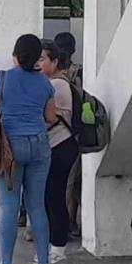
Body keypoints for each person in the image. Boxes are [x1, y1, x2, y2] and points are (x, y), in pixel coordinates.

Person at [0, 34, 57, 264]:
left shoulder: (2, 78)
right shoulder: (46, 83)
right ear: (37, 57)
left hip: (9, 149)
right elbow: (50, 117)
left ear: (15, 54)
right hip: (39, 145)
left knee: (9, 207)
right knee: (37, 206)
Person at [37, 39, 78, 264]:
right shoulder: (48, 83)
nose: (39, 64)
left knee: (55, 198)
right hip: (53, 146)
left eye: (43, 59)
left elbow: (51, 118)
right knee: (48, 198)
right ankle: (52, 249)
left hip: (61, 146)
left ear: (54, 62)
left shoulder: (58, 85)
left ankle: (58, 251)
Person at [54, 31, 83, 239]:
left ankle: (60, 225)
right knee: (70, 183)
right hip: (72, 135)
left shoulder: (51, 81)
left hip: (56, 138)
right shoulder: (78, 74)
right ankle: (69, 222)